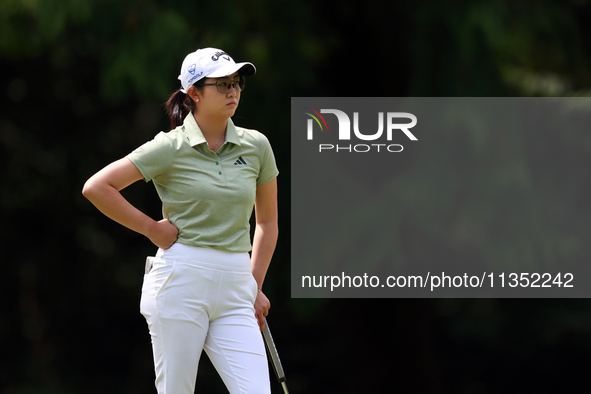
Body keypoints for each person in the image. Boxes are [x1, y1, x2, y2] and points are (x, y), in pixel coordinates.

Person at [82, 47, 278, 394]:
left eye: (237, 83)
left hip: (236, 284)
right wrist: (152, 229)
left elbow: (266, 224)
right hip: (181, 279)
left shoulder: (256, 146)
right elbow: (98, 187)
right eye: (222, 85)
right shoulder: (170, 147)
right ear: (194, 94)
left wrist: (254, 285)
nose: (233, 91)